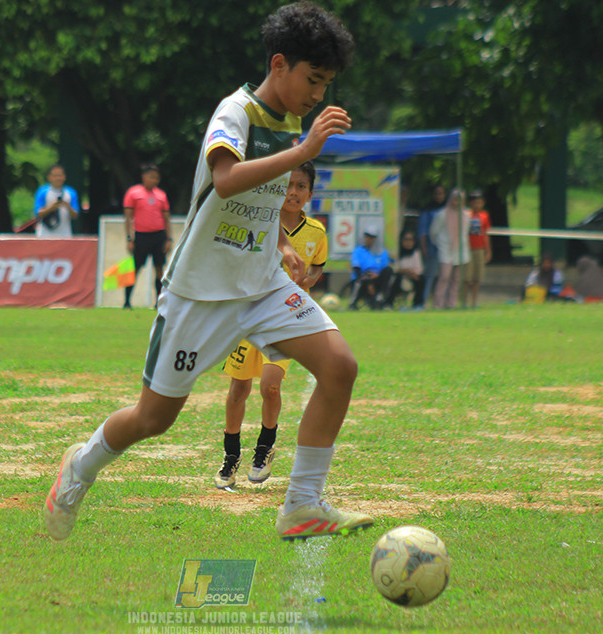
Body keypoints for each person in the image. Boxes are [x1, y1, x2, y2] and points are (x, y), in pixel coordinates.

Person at [43, 2, 370, 543]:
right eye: (314, 80)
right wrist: (305, 151)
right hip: (200, 294)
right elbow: (225, 180)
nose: (318, 97)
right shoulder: (235, 112)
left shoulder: (288, 122)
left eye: (327, 85)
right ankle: (80, 466)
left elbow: (257, 202)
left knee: (339, 366)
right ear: (280, 63)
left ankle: (302, 504)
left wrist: (280, 244)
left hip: (262, 286)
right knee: (154, 418)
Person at [215, 161, 326, 489]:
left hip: (285, 320)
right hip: (249, 317)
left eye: (301, 186)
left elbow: (318, 266)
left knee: (270, 387)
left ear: (310, 193)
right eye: (287, 185)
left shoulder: (317, 233)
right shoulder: (259, 223)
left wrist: (309, 279)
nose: (293, 192)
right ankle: (230, 456)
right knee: (238, 389)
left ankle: (263, 450)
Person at [123, 163, 172, 309]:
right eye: (151, 177)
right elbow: (128, 218)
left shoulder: (161, 195)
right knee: (135, 269)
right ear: (144, 177)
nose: (154, 180)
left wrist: (169, 239)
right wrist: (129, 238)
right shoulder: (133, 193)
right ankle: (126, 302)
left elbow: (166, 219)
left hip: (158, 236)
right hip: (141, 236)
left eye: (157, 178)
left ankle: (158, 302)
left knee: (159, 269)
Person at [430, 188, 470, 309]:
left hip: (460, 250)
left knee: (456, 279)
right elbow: (433, 232)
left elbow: (465, 233)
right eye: (454, 200)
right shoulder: (442, 214)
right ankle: (438, 304)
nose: (456, 203)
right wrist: (441, 244)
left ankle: (451, 304)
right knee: (444, 276)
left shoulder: (465, 215)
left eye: (459, 201)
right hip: (445, 249)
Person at [347, 225, 392, 310]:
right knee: (361, 280)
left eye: (372, 237)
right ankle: (353, 303)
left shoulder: (382, 252)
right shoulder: (358, 251)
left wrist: (376, 276)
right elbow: (357, 268)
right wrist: (369, 279)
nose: (369, 239)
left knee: (389, 271)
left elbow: (384, 268)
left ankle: (381, 298)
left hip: (377, 278)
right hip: (363, 277)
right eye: (367, 237)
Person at [415, 184, 446, 307]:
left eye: (441, 193)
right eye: (437, 193)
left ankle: (440, 302)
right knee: (429, 276)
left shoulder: (448, 209)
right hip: (431, 248)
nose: (439, 196)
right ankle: (423, 301)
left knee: (444, 276)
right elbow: (422, 231)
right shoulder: (427, 210)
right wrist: (424, 248)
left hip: (446, 248)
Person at [462, 189, 492, 309]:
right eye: (474, 202)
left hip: (479, 249)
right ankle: (464, 301)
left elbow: (485, 234)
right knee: (467, 278)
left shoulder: (484, 216)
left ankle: (474, 302)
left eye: (479, 202)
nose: (477, 205)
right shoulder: (466, 215)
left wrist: (488, 250)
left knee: (477, 277)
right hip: (468, 249)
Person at [32, 164, 79, 238]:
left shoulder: (71, 193)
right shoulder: (42, 192)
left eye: (60, 175)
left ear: (64, 177)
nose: (58, 178)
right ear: (49, 177)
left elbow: (75, 215)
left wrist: (67, 206)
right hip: (45, 234)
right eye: (55, 176)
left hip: (65, 234)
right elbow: (38, 213)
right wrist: (51, 208)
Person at [382, 230, 424, 310]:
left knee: (421, 279)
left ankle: (418, 304)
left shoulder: (416, 253)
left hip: (412, 277)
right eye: (406, 240)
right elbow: (395, 268)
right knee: (397, 278)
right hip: (400, 278)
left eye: (410, 240)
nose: (408, 242)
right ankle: (388, 304)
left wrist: (411, 273)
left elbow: (419, 269)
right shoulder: (398, 253)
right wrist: (406, 271)